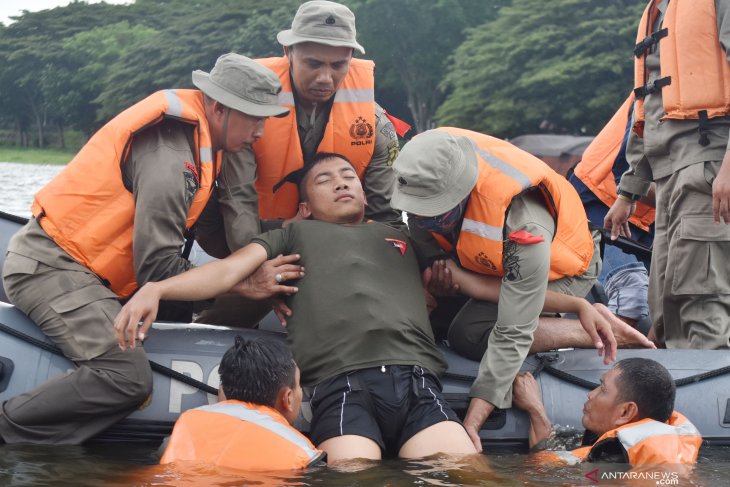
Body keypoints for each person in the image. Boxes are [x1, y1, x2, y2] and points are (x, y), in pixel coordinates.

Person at [0, 53, 297, 445]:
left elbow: (203, 236)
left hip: (93, 273)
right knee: (127, 377)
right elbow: (157, 270)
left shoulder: (206, 144)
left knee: (176, 308)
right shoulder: (172, 158)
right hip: (52, 266)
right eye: (255, 118)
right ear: (220, 108)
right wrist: (240, 284)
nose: (261, 131)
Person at [115, 153, 476, 462]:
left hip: (416, 381)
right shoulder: (291, 236)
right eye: (325, 180)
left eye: (349, 176)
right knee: (351, 475)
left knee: (463, 472)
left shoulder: (403, 237)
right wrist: (157, 289)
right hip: (343, 387)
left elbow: (466, 280)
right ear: (305, 206)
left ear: (365, 194)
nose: (340, 183)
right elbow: (226, 272)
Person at [390, 128, 654, 452]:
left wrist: (473, 420)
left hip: (561, 268)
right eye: (419, 212)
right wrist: (439, 272)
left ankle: (591, 327)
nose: (424, 220)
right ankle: (579, 307)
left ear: (462, 191)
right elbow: (423, 241)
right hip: (487, 265)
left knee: (469, 332)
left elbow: (513, 329)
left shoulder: (523, 222)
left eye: (435, 212)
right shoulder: (425, 166)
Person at [194, 0, 408, 327]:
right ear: (288, 51)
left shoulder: (376, 125)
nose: (325, 77)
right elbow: (239, 202)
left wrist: (384, 274)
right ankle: (203, 321)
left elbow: (387, 215)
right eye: (313, 63)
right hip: (250, 231)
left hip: (330, 236)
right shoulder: (249, 111)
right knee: (247, 301)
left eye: (338, 65)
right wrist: (261, 274)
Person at [604, 0, 730, 349]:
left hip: (710, 165)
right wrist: (628, 192)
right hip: (668, 176)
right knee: (664, 307)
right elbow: (649, 110)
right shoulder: (661, 9)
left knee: (701, 305)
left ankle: (713, 399)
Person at [161, 335, 325, 470]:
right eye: (298, 385)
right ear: (287, 398)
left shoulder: (187, 423)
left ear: (222, 391)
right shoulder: (302, 454)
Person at [512, 358, 702, 466]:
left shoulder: (610, 465)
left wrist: (534, 408)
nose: (590, 394)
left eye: (602, 389)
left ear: (626, 412)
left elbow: (538, 467)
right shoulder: (662, 453)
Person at [570, 95, 654, 328]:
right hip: (600, 201)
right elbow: (626, 173)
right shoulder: (664, 81)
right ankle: (609, 357)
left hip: (653, 218)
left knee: (672, 300)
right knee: (631, 291)